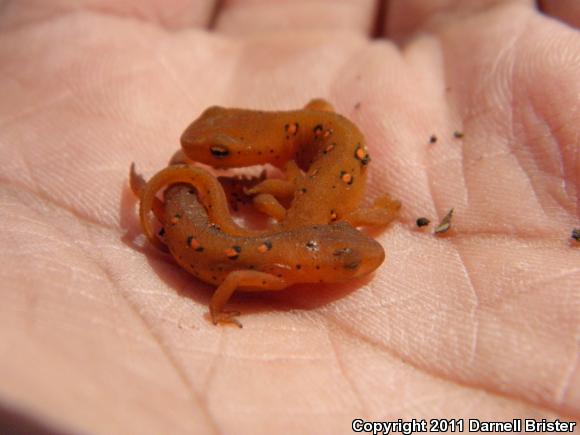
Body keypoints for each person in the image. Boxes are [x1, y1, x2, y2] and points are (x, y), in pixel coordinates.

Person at [0, 1, 578, 433]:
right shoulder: (294, 168)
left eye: (220, 157)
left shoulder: (294, 181)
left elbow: (311, 173)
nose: (211, 158)